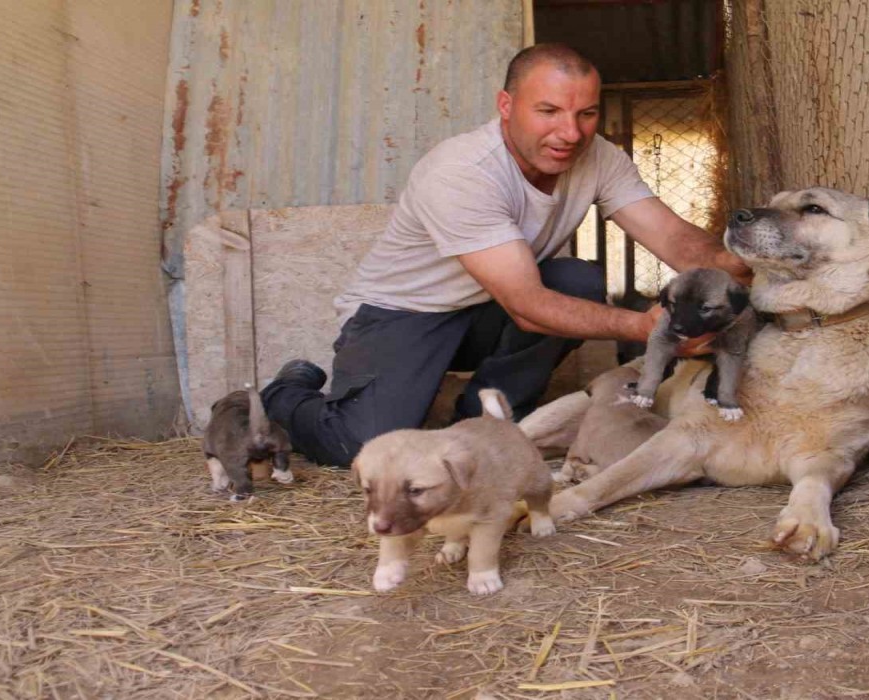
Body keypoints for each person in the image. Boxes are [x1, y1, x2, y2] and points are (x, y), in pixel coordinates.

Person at [262, 43, 750, 467]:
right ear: (506, 105)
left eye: (586, 114)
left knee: (576, 280)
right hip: (401, 314)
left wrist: (737, 267)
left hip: (483, 310)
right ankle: (285, 392)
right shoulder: (462, 172)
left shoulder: (599, 157)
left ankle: (486, 423)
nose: (570, 133)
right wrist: (645, 328)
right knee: (361, 444)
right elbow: (527, 306)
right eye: (548, 111)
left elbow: (673, 237)